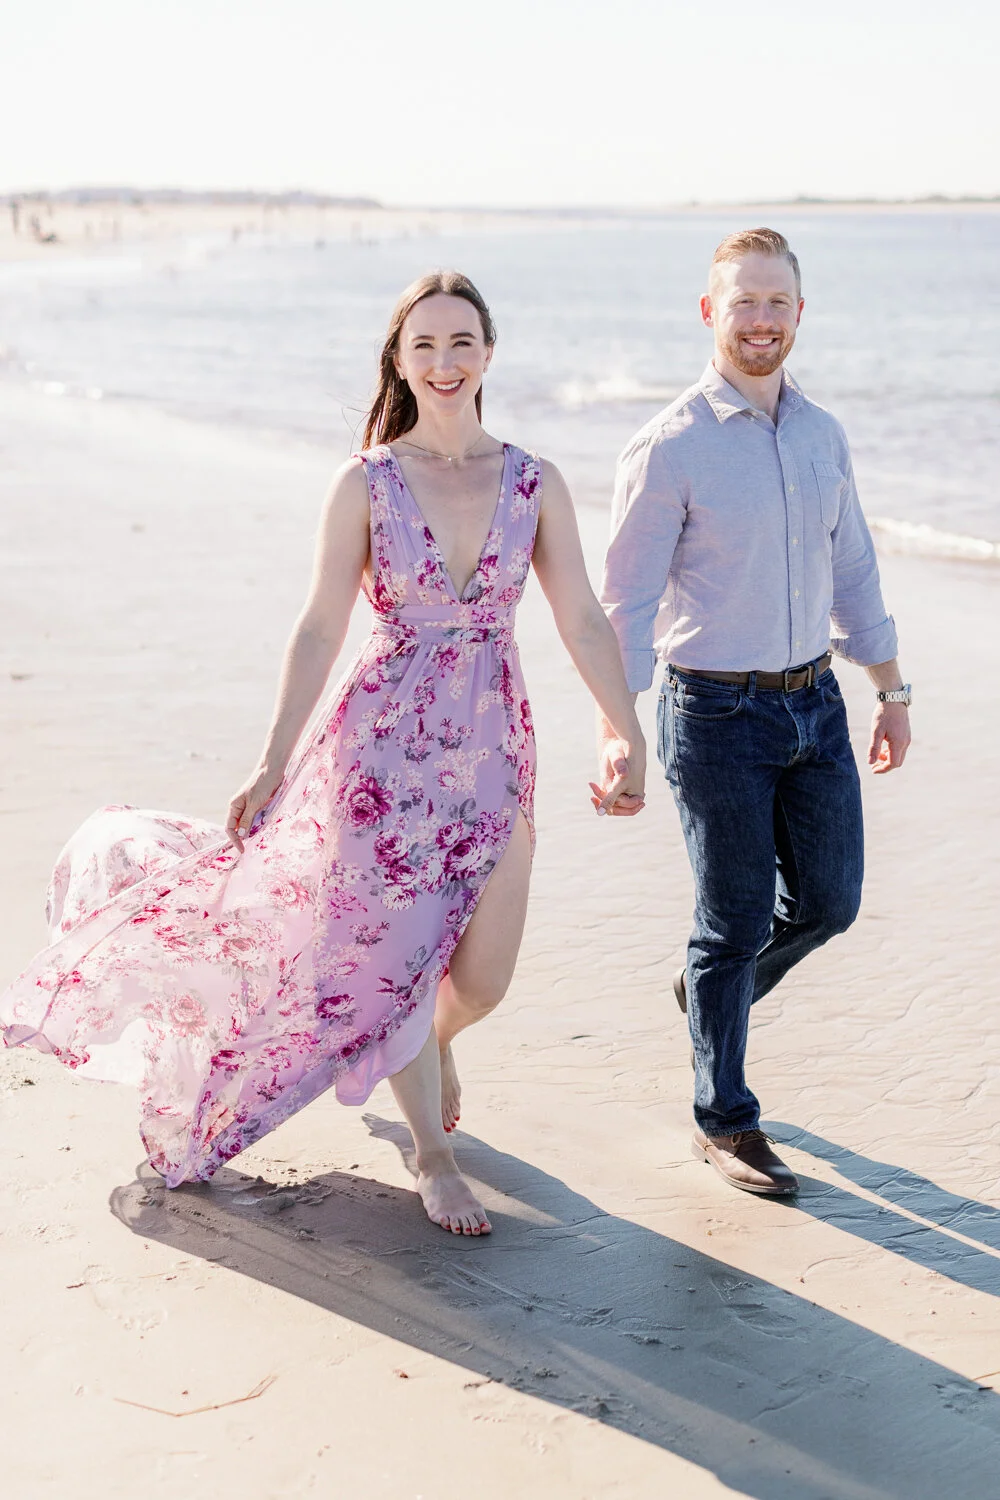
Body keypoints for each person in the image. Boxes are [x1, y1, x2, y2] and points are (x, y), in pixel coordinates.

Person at [0, 271, 646, 1236]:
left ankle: (426, 1044)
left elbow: (584, 618)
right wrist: (270, 761)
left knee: (482, 979)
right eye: (423, 346)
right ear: (399, 359)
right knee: (397, 965)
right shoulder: (367, 483)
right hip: (377, 754)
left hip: (491, 749)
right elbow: (317, 628)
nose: (443, 362)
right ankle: (434, 1154)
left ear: (490, 352)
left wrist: (624, 728)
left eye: (461, 342)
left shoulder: (533, 481)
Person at [598, 228, 911, 1197]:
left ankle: (706, 995)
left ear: (799, 314)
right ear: (710, 314)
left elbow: (850, 566)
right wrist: (618, 730)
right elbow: (625, 606)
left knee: (828, 902)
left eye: (776, 302)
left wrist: (889, 689)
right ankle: (724, 1120)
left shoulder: (821, 435)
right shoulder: (669, 447)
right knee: (730, 918)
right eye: (744, 303)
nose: (761, 320)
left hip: (812, 703)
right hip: (713, 714)